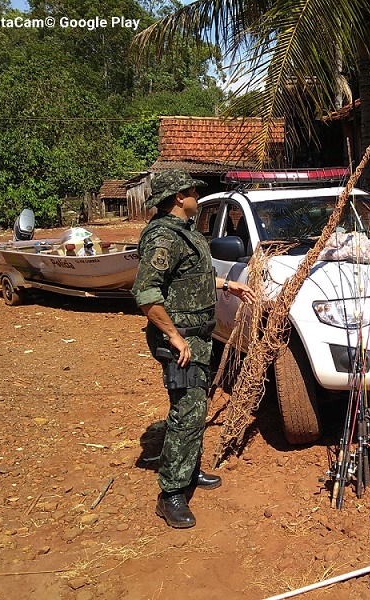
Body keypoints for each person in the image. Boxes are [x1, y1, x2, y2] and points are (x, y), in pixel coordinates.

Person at [132, 169, 256, 528]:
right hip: (182, 340)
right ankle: (171, 493)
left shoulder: (184, 233)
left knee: (195, 404)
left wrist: (224, 285)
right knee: (187, 411)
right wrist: (173, 336)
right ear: (176, 198)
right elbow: (147, 294)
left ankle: (189, 468)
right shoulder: (163, 239)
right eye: (190, 191)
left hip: (197, 336)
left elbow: (189, 276)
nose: (195, 197)